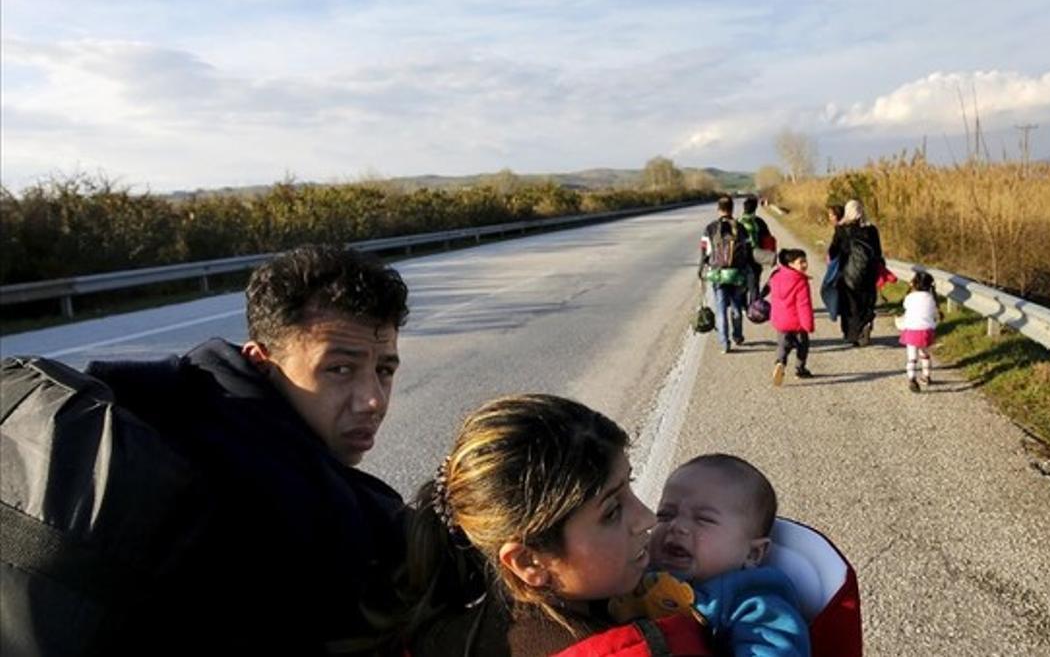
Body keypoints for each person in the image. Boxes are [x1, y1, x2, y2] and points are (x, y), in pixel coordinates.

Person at [79, 244, 411, 654]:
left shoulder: (193, 389)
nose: (372, 400)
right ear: (260, 362)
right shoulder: (295, 502)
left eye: (384, 370)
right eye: (339, 369)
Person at [403, 394, 679, 656]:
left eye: (629, 484)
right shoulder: (630, 649)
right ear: (528, 562)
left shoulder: (441, 634)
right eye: (612, 511)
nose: (647, 517)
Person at [648, 454, 811, 656]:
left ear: (752, 554)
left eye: (703, 519)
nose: (677, 526)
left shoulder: (752, 601)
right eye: (665, 515)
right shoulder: (635, 568)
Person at [700, 195, 752, 353]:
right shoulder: (740, 227)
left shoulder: (710, 228)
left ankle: (724, 343)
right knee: (736, 306)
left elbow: (705, 252)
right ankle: (737, 335)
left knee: (721, 308)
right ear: (732, 209)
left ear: (718, 209)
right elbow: (748, 251)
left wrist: (701, 269)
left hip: (718, 274)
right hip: (736, 274)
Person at [827, 200, 883, 346]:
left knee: (850, 305)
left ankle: (851, 334)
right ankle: (866, 324)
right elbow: (877, 252)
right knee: (866, 301)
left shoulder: (841, 229)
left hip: (847, 273)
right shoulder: (871, 229)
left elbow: (833, 251)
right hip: (868, 273)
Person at [761, 249, 816, 386]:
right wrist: (808, 325)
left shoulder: (776, 276)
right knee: (803, 345)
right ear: (790, 264)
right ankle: (800, 368)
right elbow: (804, 305)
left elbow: (768, 290)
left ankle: (780, 364)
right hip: (797, 322)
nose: (805, 265)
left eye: (805, 261)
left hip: (780, 320)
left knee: (783, 345)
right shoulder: (800, 281)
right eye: (801, 262)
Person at [898, 271, 941, 392]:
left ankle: (912, 378)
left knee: (912, 357)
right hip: (926, 331)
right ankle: (926, 376)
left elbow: (905, 306)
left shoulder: (909, 298)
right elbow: (933, 313)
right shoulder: (931, 299)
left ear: (914, 283)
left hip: (911, 330)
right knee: (925, 355)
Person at [738, 195, 775, 305]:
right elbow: (768, 239)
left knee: (742, 281)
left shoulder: (738, 222)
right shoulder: (759, 222)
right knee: (754, 283)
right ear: (755, 208)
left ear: (744, 208)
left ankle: (743, 305)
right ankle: (754, 306)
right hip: (756, 256)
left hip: (741, 257)